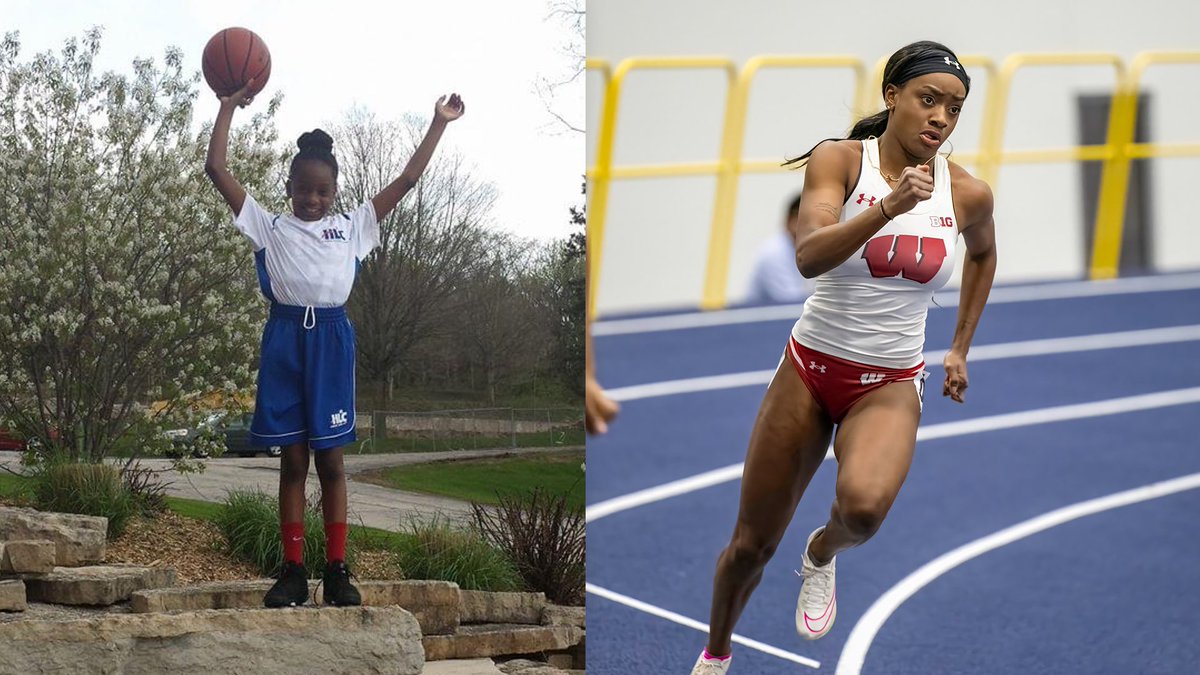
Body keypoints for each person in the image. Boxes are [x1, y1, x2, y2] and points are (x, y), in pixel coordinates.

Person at [691, 41, 996, 673]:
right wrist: (889, 207)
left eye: (955, 108)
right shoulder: (840, 161)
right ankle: (715, 656)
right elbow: (808, 256)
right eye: (928, 99)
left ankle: (823, 552)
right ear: (892, 98)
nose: (941, 117)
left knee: (861, 510)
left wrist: (959, 347)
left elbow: (985, 256)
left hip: (888, 381)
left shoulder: (966, 193)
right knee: (749, 548)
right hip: (809, 370)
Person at [205, 79, 465, 608]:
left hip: (331, 340)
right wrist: (227, 107)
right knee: (293, 463)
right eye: (304, 189)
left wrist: (438, 123)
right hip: (284, 339)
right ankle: (293, 571)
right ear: (290, 187)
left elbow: (408, 179)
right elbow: (216, 169)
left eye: (322, 191)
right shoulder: (268, 227)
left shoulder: (353, 227)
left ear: (335, 192)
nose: (313, 199)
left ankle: (338, 570)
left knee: (332, 463)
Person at [747, 193, 812, 304]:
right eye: (805, 219)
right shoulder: (773, 253)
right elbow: (792, 304)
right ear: (789, 220)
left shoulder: (805, 249)